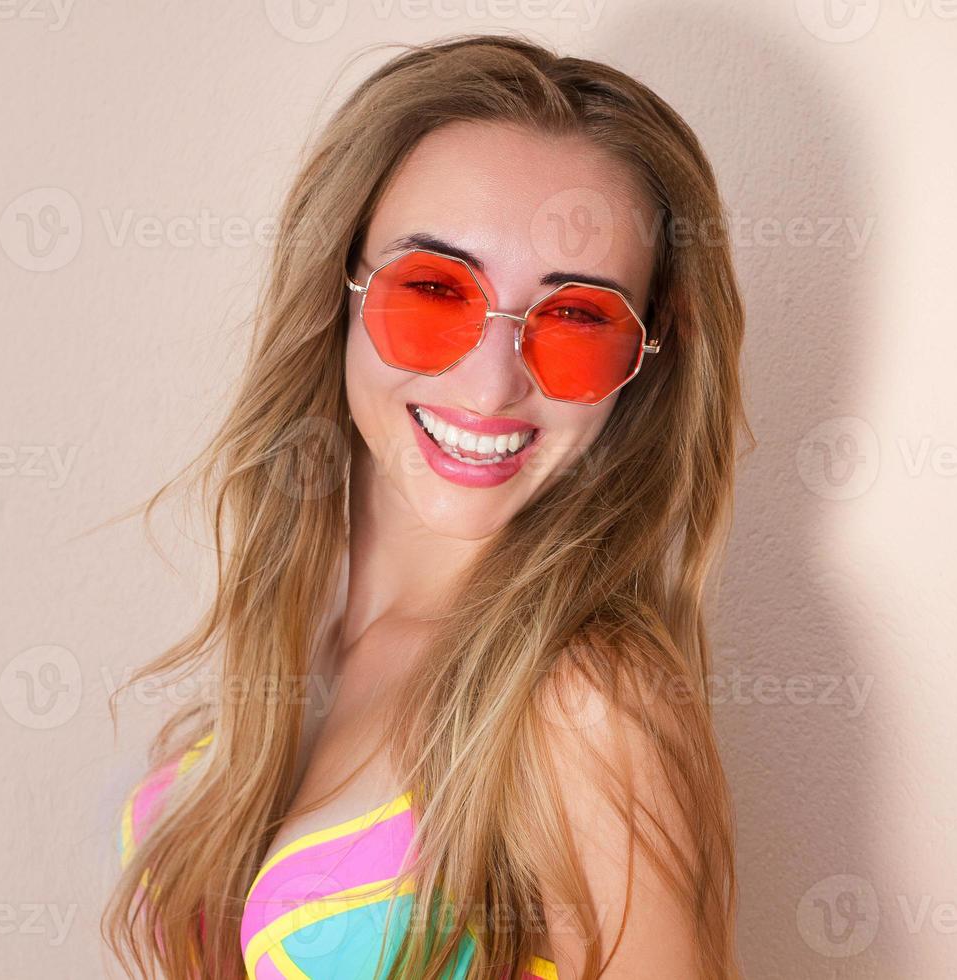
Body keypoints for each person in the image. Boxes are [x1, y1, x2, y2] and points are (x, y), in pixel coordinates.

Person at [100, 32, 752, 980]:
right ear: (339, 286)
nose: (491, 388)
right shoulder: (293, 631)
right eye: (436, 291)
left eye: (575, 321)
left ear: (648, 359)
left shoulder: (585, 706)